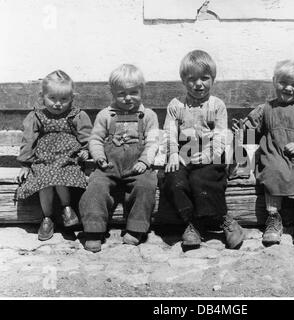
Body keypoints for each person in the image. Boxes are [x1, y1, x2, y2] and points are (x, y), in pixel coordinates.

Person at [233, 60, 294, 247]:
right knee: (273, 169)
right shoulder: (266, 108)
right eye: (283, 82)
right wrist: (242, 129)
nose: (288, 88)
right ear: (275, 82)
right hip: (275, 150)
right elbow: (251, 127)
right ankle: (274, 218)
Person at [163, 49, 245, 249]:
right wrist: (173, 153)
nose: (198, 84)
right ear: (183, 81)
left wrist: (210, 155)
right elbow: (170, 130)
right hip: (183, 151)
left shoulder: (217, 105)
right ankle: (192, 223)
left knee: (203, 180)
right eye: (192, 79)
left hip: (211, 151)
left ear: (213, 80)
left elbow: (220, 135)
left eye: (204, 78)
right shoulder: (175, 105)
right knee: (175, 180)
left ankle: (224, 219)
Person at [79, 64, 159, 253]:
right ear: (112, 92)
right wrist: (98, 157)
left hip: (137, 166)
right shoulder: (106, 115)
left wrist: (144, 161)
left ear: (142, 90)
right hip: (109, 166)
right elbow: (96, 139)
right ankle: (93, 230)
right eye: (122, 93)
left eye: (133, 92)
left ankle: (136, 228)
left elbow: (153, 142)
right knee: (95, 187)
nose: (128, 97)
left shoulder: (148, 115)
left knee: (146, 186)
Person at [16, 70, 92, 241]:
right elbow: (29, 140)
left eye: (64, 99)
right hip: (43, 159)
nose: (58, 104)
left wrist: (86, 150)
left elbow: (87, 136)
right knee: (44, 179)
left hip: (68, 159)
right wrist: (25, 164)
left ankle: (67, 209)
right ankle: (47, 218)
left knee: (60, 173)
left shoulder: (77, 115)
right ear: (42, 96)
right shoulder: (37, 116)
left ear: (72, 98)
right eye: (53, 98)